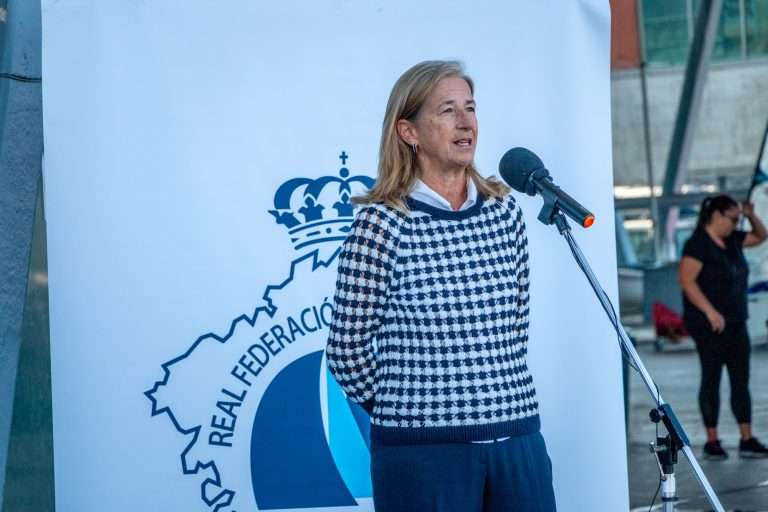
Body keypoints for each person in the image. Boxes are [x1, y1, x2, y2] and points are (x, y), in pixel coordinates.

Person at [326, 60, 556, 511]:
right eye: (447, 110)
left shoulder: (503, 212)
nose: (466, 121)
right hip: (422, 453)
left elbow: (514, 326)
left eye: (470, 108)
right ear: (409, 131)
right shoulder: (381, 224)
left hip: (517, 441)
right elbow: (346, 349)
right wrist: (409, 405)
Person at [679, 194, 768, 459]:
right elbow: (686, 281)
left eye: (738, 219)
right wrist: (710, 312)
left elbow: (761, 236)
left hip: (736, 321)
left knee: (741, 380)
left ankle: (746, 437)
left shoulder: (733, 241)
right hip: (708, 325)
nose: (735, 224)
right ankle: (712, 440)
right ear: (716, 216)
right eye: (733, 219)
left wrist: (750, 215)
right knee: (712, 378)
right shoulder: (697, 245)